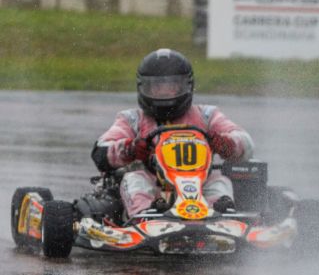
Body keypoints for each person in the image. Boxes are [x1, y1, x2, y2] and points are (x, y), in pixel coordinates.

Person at [91, 48, 254, 220]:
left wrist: (227, 144)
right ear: (144, 87)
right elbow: (101, 150)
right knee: (135, 180)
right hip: (152, 185)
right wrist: (130, 149)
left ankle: (220, 219)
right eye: (157, 87)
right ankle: (145, 218)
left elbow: (246, 143)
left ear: (186, 86)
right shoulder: (132, 119)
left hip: (199, 185)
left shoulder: (206, 115)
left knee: (220, 181)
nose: (164, 93)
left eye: (172, 86)